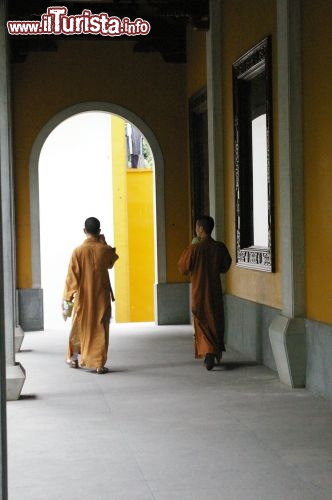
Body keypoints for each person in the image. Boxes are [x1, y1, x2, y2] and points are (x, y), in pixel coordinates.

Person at [62, 217, 119, 374]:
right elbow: (111, 263)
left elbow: (71, 278)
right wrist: (104, 243)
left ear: (84, 231)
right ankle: (99, 363)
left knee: (79, 326)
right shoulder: (104, 250)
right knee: (100, 328)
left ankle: (73, 358)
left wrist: (68, 297)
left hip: (84, 298)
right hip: (101, 297)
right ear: (99, 232)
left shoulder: (78, 252)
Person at [177, 216, 232, 370]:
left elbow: (182, 268)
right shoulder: (219, 248)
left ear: (200, 229)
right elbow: (225, 265)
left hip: (199, 291)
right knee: (215, 321)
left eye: (196, 227)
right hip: (215, 291)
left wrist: (191, 247)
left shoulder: (194, 249)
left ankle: (208, 352)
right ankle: (213, 351)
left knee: (201, 321)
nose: (196, 229)